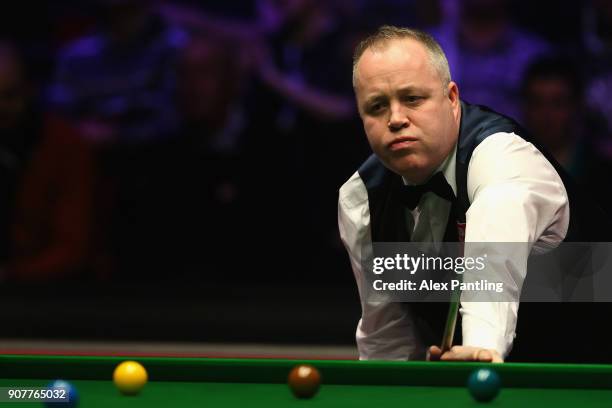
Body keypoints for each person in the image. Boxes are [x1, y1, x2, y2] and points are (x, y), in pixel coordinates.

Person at [338, 25, 610, 363]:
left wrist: (481, 347)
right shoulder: (361, 197)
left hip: (592, 375)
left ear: (451, 98)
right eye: (377, 106)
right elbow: (387, 338)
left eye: (412, 99)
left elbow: (493, 259)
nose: (395, 119)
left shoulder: (502, 157)